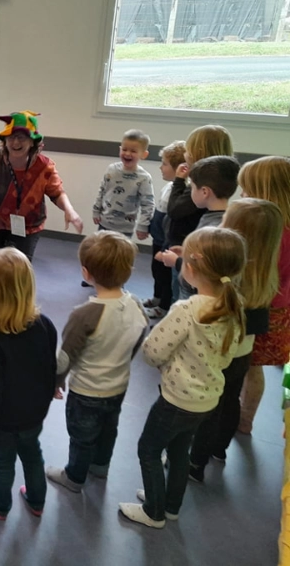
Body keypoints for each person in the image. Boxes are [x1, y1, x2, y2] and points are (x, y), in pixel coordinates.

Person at [119, 227, 245, 528]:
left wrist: (166, 364)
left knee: (148, 449)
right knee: (178, 452)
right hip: (206, 401)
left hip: (176, 399)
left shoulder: (187, 309)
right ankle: (170, 506)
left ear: (190, 268)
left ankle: (154, 511)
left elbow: (152, 351)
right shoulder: (233, 306)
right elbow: (228, 357)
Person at [46, 231, 149, 492]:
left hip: (86, 391)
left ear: (85, 272)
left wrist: (56, 382)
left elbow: (66, 355)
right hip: (118, 386)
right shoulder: (137, 304)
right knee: (108, 429)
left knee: (81, 437)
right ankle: (101, 467)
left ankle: (74, 477)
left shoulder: (85, 314)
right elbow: (138, 339)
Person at [188, 198, 283, 480]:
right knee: (230, 399)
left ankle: (195, 463)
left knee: (209, 405)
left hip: (218, 351)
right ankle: (219, 448)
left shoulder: (229, 278)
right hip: (243, 351)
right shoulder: (265, 271)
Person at [0, 247, 57, 519]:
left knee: (2, 462)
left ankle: (1, 505)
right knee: (33, 455)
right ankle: (36, 501)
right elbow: (50, 369)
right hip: (34, 413)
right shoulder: (45, 325)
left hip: (1, 421)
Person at [0, 111, 83, 266]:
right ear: (4, 140)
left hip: (28, 226)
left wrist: (69, 210)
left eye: (21, 137)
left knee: (17, 271)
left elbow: (57, 193)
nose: (15, 142)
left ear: (32, 142)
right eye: (11, 137)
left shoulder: (44, 166)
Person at [237, 156, 290, 434]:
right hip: (281, 309)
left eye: (247, 189)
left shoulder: (270, 231)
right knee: (255, 367)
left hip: (257, 306)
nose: (242, 195)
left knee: (243, 364)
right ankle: (246, 420)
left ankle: (238, 417)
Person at [160, 125, 234, 302]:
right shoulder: (213, 185)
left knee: (181, 296)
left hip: (188, 264)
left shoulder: (200, 188)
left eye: (188, 149)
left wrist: (179, 181)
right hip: (185, 250)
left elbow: (174, 210)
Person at [143, 141, 185, 319]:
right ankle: (157, 297)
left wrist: (165, 247)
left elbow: (172, 222)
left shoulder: (180, 191)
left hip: (167, 243)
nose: (160, 167)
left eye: (165, 164)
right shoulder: (169, 187)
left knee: (166, 275)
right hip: (158, 238)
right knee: (157, 271)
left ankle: (165, 306)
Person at [91, 129, 155, 240]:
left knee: (119, 256)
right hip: (104, 223)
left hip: (125, 229)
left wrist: (143, 226)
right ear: (120, 149)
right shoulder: (111, 169)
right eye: (124, 149)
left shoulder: (144, 178)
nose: (128, 154)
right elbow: (102, 190)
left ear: (144, 154)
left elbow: (148, 204)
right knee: (102, 254)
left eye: (133, 151)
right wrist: (96, 210)